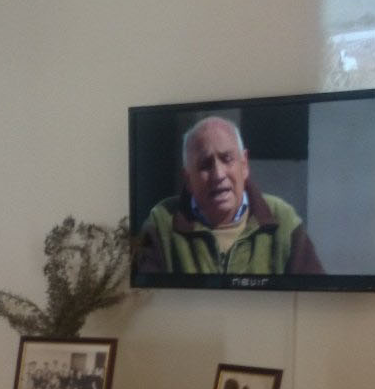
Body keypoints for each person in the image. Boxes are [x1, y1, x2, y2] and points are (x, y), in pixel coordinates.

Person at [133, 115, 324, 275]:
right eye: (205, 164)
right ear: (188, 179)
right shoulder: (161, 222)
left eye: (227, 159)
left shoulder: (283, 219)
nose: (218, 174)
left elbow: (315, 300)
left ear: (244, 164)